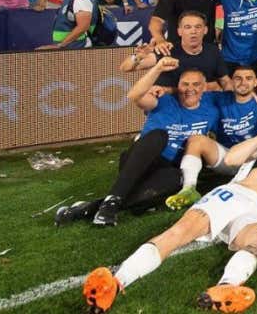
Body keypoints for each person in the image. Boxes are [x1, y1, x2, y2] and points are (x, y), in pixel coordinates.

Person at [81, 114, 257, 313]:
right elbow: (234, 158)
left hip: (256, 214)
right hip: (236, 195)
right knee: (179, 233)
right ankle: (115, 284)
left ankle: (224, 290)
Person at [56, 58, 221, 228]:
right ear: (178, 86)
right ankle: (112, 201)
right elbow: (134, 95)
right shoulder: (164, 100)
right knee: (158, 135)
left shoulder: (212, 108)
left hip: (168, 168)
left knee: (175, 178)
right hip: (141, 159)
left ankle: (94, 207)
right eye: (185, 84)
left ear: (204, 87)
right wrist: (157, 68)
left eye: (196, 85)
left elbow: (237, 92)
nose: (190, 89)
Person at [163, 67, 257, 210]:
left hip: (255, 161)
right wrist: (166, 91)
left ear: (256, 82)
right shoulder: (219, 98)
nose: (243, 82)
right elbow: (192, 90)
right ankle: (188, 189)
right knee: (196, 139)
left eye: (248, 78)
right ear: (232, 81)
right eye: (238, 78)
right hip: (227, 158)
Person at [126, 11, 231, 90]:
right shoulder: (167, 51)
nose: (193, 31)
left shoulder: (213, 51)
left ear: (205, 30)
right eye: (188, 27)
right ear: (179, 31)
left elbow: (225, 82)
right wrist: (137, 57)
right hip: (169, 106)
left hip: (200, 108)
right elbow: (126, 68)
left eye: (198, 27)